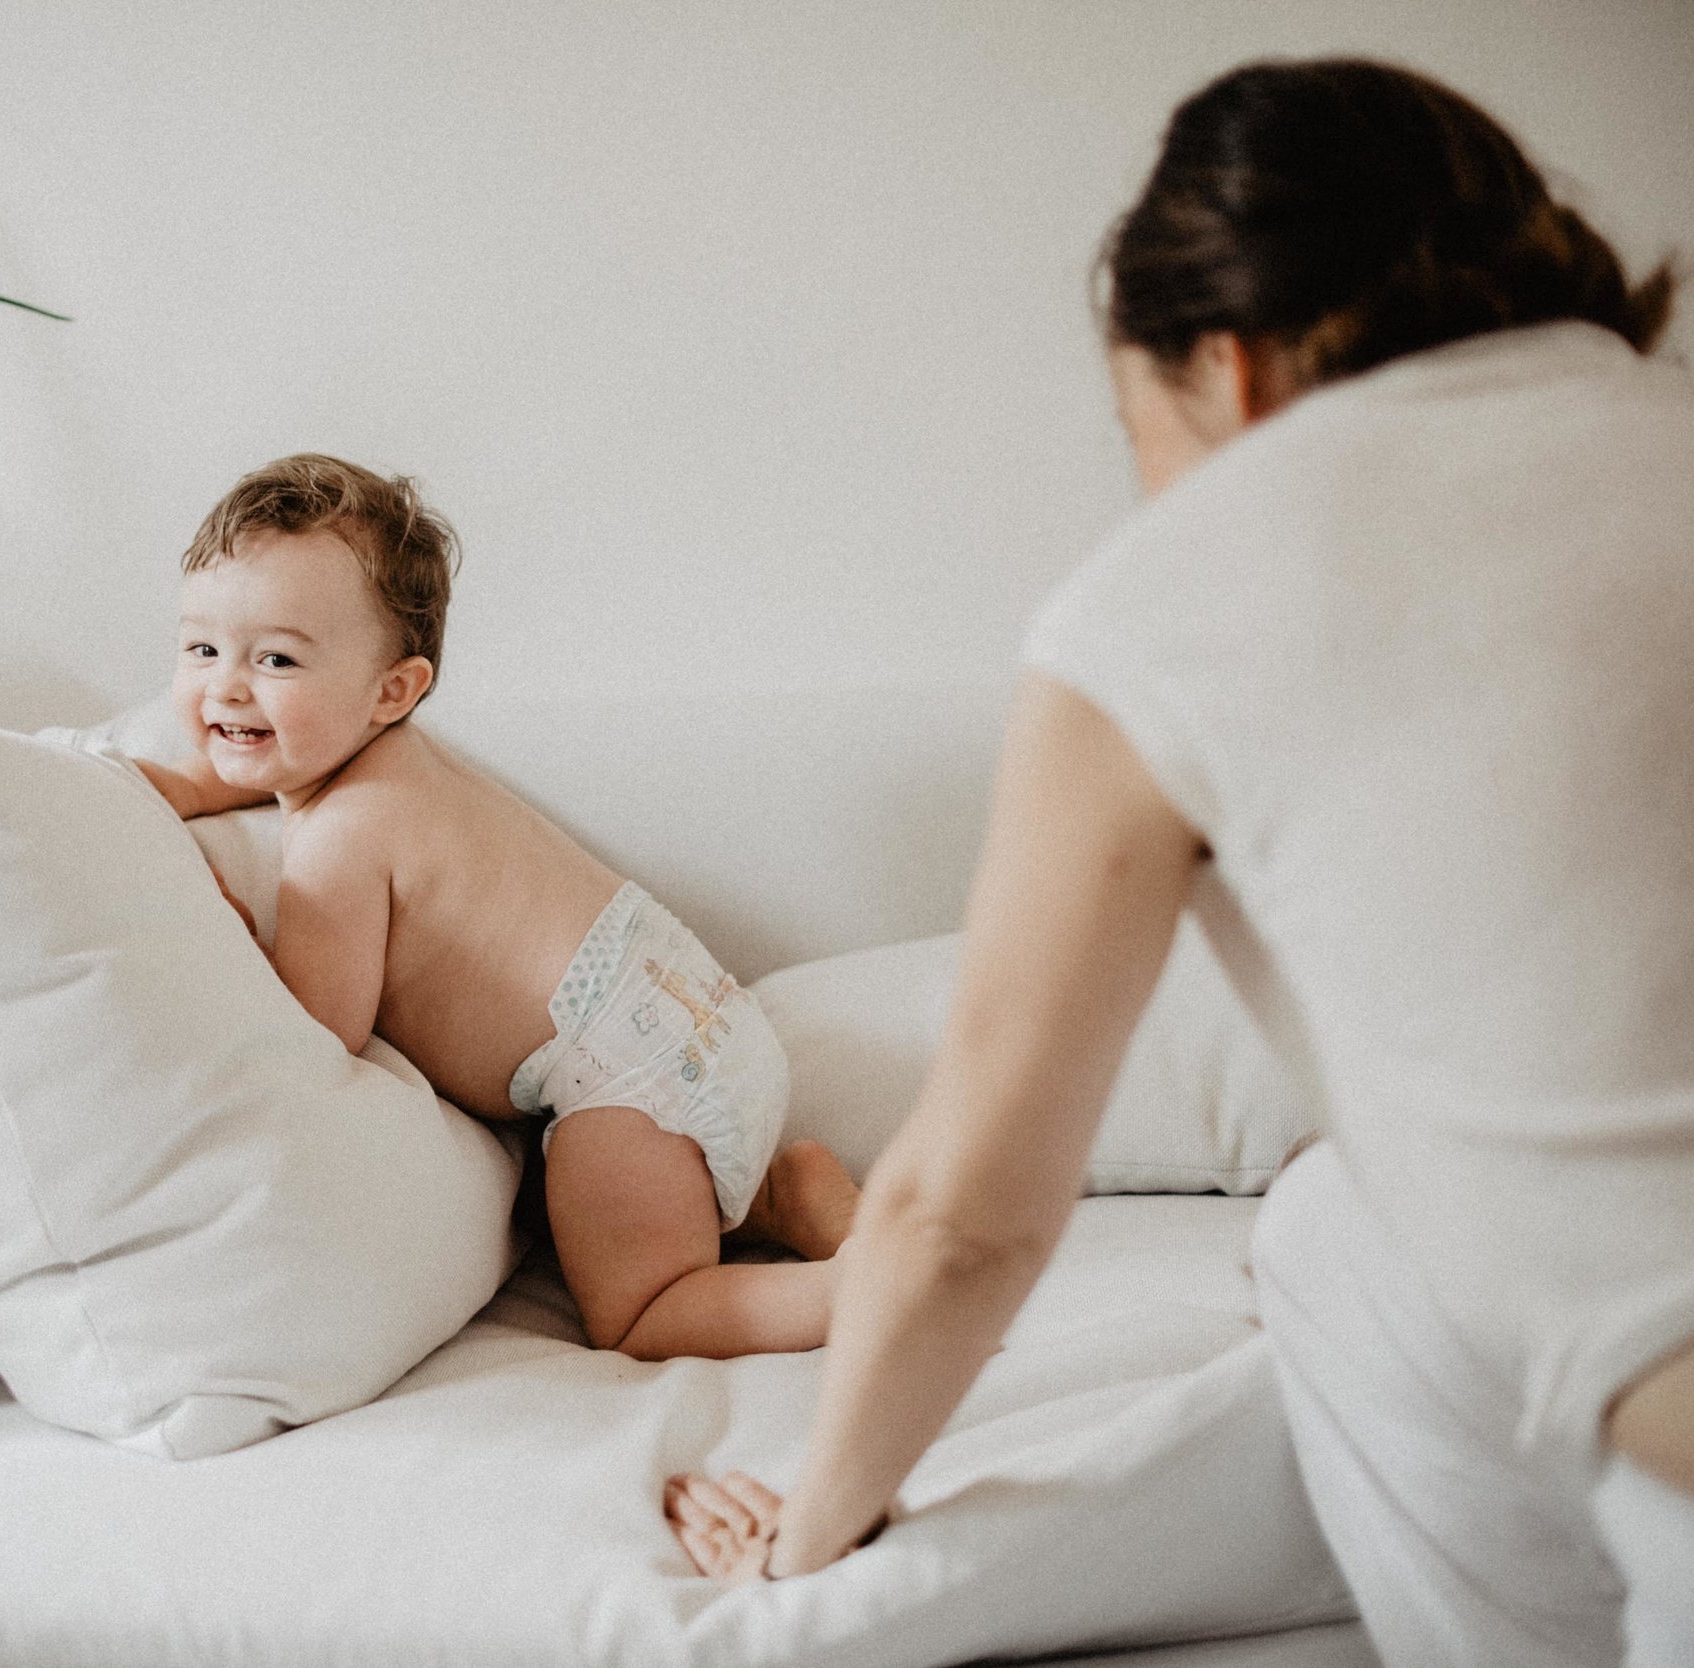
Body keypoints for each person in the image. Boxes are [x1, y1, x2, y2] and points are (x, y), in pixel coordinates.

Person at [663, 57, 1694, 1667]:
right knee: (1335, 1228)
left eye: (1137, 426)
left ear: (1233, 366)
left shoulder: (1186, 583)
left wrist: (818, 1517)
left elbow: (963, 1221)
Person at [139, 453, 866, 1360]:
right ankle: (789, 1196)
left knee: (642, 1311)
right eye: (202, 648)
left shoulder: (341, 838)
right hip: (692, 1014)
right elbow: (260, 753)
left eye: (275, 658)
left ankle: (862, 1298)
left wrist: (225, 924)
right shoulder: (394, 760)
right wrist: (189, 785)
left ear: (391, 691)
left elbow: (319, 1024)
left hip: (624, 1083)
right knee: (673, 1212)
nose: (227, 688)